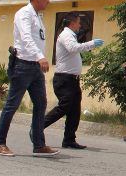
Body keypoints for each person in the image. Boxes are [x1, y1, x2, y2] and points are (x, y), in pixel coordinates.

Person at [0, 0, 58, 157]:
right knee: (12, 105)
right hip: (22, 65)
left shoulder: (37, 16)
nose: (48, 1)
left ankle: (39, 144)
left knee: (41, 103)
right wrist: (40, 57)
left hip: (35, 67)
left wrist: (39, 58)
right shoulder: (24, 14)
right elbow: (26, 37)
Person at [43, 12, 103, 149]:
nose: (80, 25)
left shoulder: (71, 36)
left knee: (74, 110)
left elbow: (74, 49)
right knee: (64, 107)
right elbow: (73, 48)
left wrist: (88, 46)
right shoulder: (66, 35)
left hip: (72, 80)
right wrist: (91, 43)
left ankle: (69, 140)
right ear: (72, 23)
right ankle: (38, 126)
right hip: (64, 79)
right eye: (78, 22)